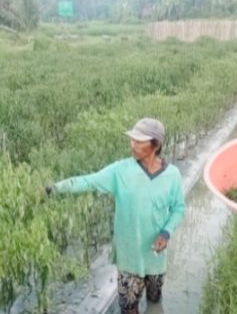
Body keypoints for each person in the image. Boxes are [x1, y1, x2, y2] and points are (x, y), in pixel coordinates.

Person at [46, 118, 186, 314]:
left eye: (139, 141)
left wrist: (166, 233)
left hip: (155, 256)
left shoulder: (172, 175)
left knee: (154, 300)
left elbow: (179, 208)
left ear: (156, 144)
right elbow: (89, 181)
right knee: (128, 308)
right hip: (129, 258)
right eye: (132, 140)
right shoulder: (120, 171)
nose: (133, 145)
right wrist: (52, 189)